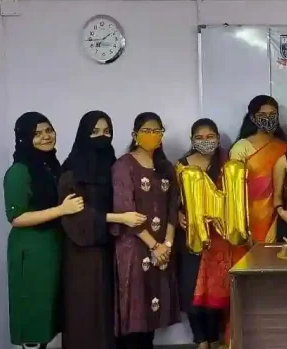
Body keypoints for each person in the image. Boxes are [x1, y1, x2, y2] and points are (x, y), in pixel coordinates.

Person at [58, 111, 146, 349]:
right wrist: (119, 218)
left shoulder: (113, 167)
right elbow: (77, 215)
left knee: (108, 310)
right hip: (82, 253)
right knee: (86, 310)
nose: (102, 136)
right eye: (95, 132)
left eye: (107, 131)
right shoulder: (72, 172)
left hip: (111, 247)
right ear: (83, 135)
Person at [4, 112, 84, 349]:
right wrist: (62, 210)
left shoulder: (50, 166)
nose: (46, 137)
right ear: (24, 138)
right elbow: (16, 217)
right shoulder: (19, 171)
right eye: (37, 133)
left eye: (48, 130)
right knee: (33, 312)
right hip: (31, 252)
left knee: (48, 312)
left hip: (52, 246)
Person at [112, 112, 180, 349]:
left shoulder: (166, 167)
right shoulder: (123, 165)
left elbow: (173, 208)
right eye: (146, 131)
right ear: (135, 135)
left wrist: (166, 245)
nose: (152, 135)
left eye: (156, 131)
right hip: (134, 247)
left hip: (161, 248)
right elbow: (125, 208)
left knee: (153, 310)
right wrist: (154, 245)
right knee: (134, 309)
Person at [175, 119, 234, 349]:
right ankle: (201, 340)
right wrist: (178, 215)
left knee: (215, 290)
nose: (205, 141)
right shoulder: (181, 166)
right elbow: (171, 199)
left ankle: (214, 337)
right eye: (199, 137)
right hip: (191, 235)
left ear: (218, 138)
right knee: (192, 289)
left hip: (220, 236)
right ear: (192, 140)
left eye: (210, 137)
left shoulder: (227, 163)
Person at [230, 95, 287, 243]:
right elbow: (235, 192)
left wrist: (279, 220)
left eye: (272, 114)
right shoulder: (241, 148)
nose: (268, 118)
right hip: (249, 217)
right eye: (262, 115)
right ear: (252, 117)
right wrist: (242, 227)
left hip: (280, 216)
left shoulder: (284, 147)